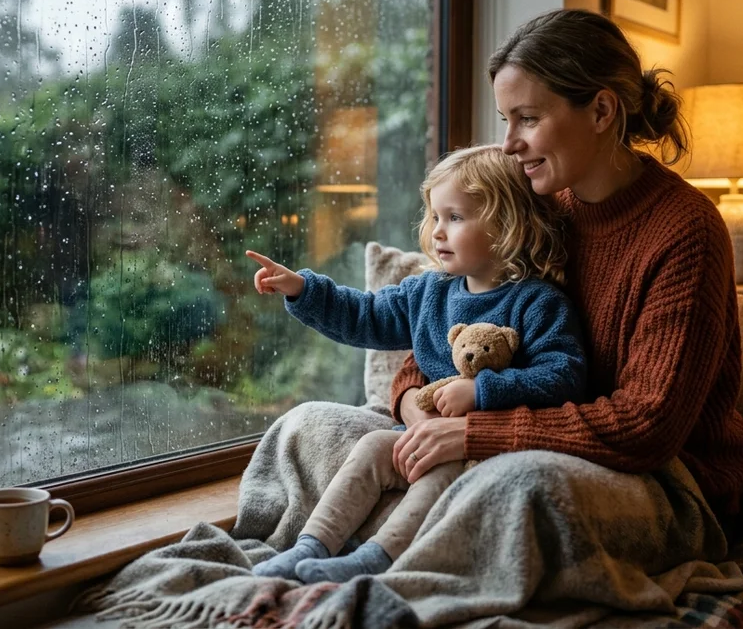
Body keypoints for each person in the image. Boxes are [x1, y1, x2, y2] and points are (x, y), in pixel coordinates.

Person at [388, 8, 743, 535]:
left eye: (529, 119)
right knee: (318, 426)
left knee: (519, 489)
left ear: (602, 110)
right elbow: (439, 333)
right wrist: (414, 411)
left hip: (669, 480)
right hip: (533, 446)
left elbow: (646, 426)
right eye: (505, 120)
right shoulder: (538, 208)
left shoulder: (686, 232)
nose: (509, 144)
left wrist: (475, 435)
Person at [244, 144, 586, 583]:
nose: (437, 231)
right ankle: (311, 546)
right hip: (419, 433)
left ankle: (377, 558)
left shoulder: (538, 303)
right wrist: (301, 290)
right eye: (435, 216)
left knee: (439, 474)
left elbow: (565, 375)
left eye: (455, 218)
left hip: (483, 449)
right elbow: (364, 315)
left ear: (508, 226)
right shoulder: (429, 292)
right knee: (371, 447)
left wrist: (482, 391)